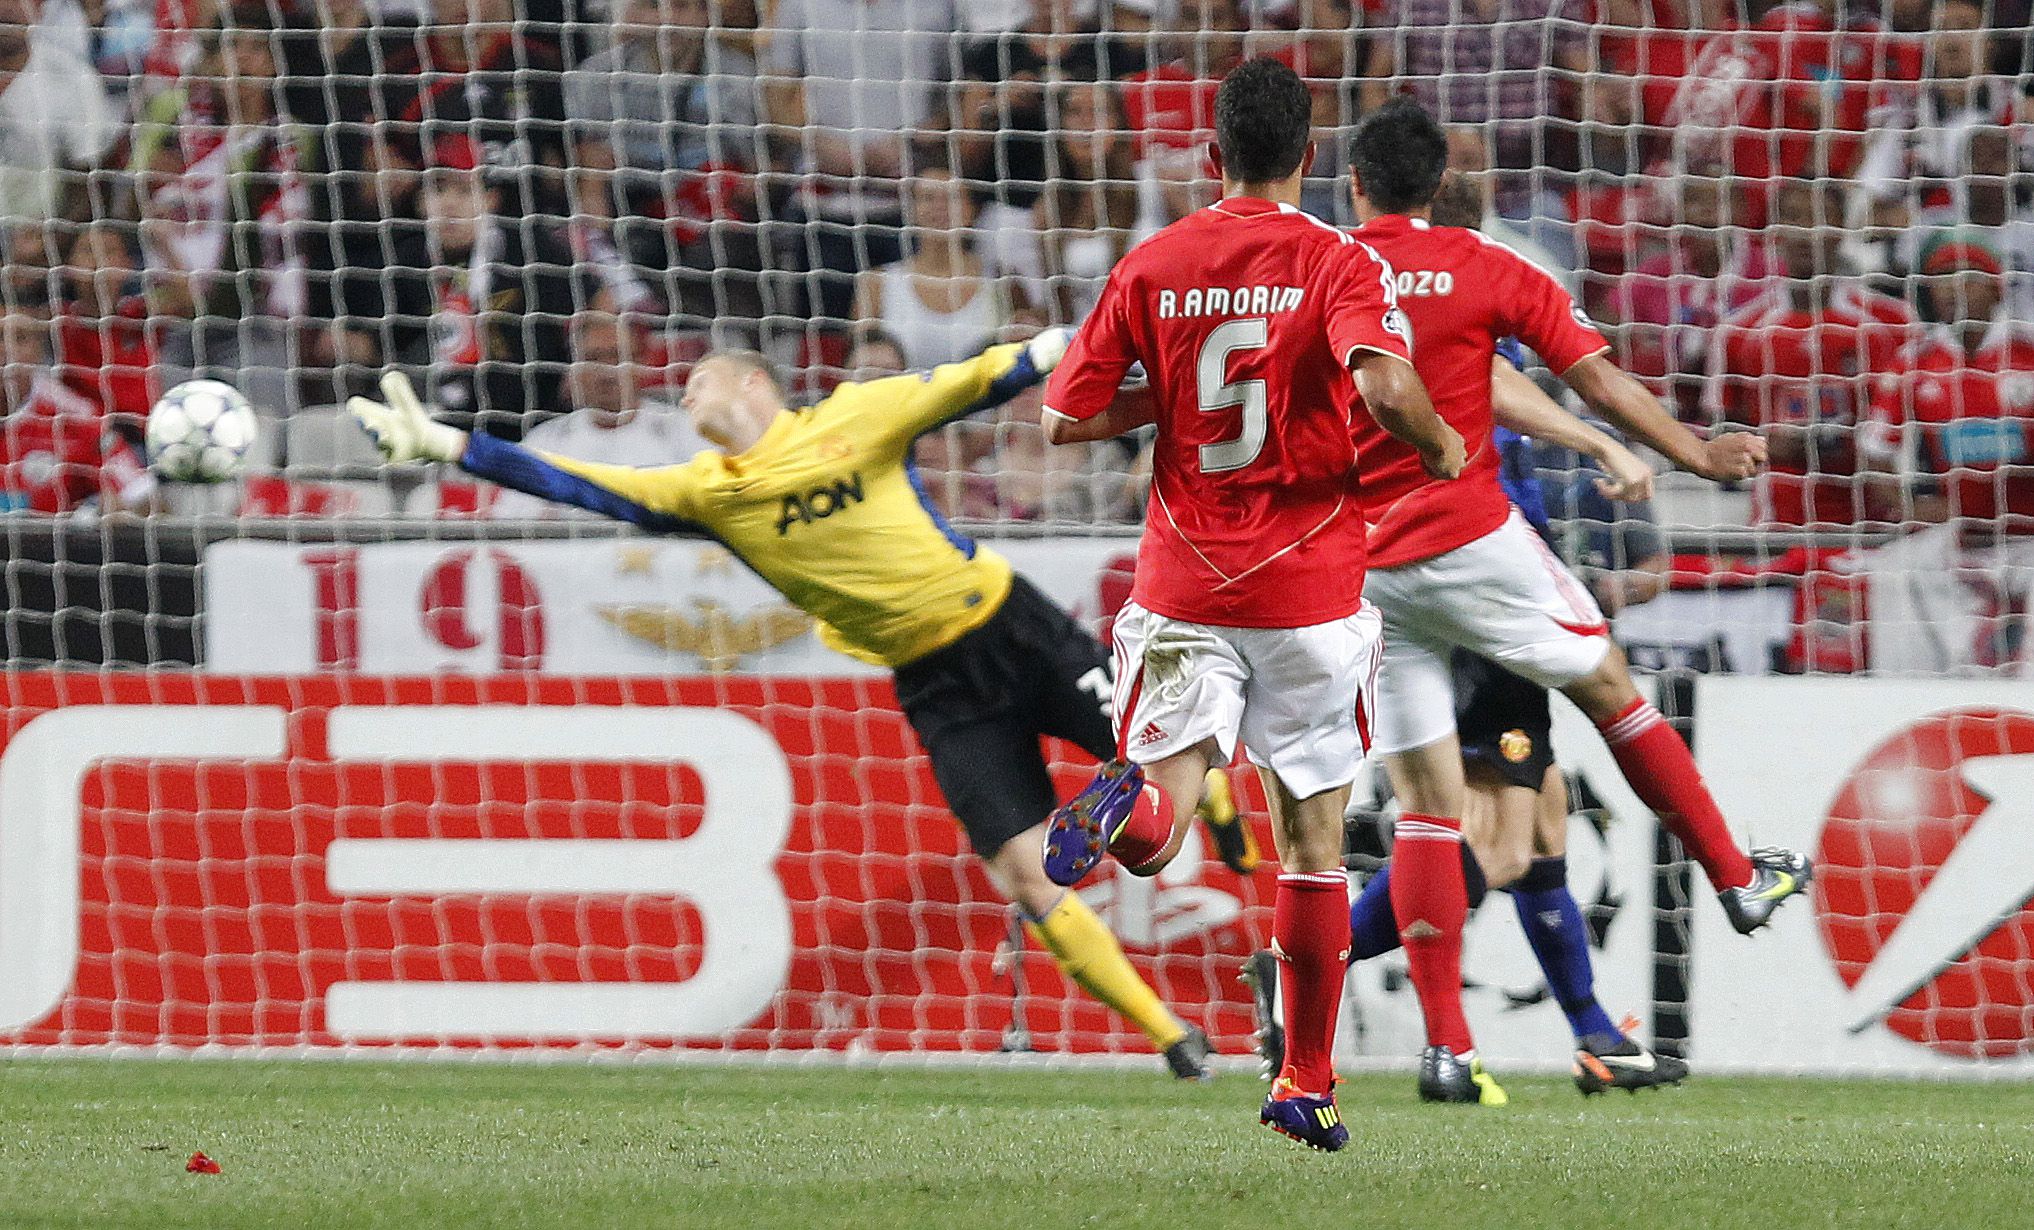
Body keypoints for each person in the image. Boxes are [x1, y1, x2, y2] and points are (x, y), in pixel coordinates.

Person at [349, 333, 1222, 1082]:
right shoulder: (707, 492)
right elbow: (578, 481)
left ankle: (1229, 834)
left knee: (1169, 758)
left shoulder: (853, 417)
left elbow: (978, 377)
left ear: (757, 384)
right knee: (1029, 875)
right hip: (937, 689)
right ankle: (1174, 1040)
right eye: (683, 385)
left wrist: (1072, 340)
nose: (688, 389)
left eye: (705, 377)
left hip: (1009, 625)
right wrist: (447, 443)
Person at [1339, 98, 1813, 1090]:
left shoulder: (1318, 272)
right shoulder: (1492, 268)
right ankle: (1734, 877)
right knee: (1606, 684)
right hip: (1471, 540)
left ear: (1355, 186)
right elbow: (1593, 378)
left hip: (1363, 570)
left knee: (1431, 807)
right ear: (1437, 188)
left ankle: (1449, 1049)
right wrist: (1694, 454)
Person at [1036, 58, 1465, 1149]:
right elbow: (1378, 384)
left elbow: (1063, 420)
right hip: (1311, 594)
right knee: (1312, 846)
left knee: (1166, 813)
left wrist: (1170, 393)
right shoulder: (1337, 260)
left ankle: (1120, 808)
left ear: (1211, 156)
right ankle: (1304, 1083)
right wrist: (1440, 439)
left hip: (1185, 585)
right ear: (1314, 158)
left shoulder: (1157, 261)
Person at [1704, 177, 1917, 528]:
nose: (1806, 231)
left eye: (1819, 217)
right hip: (1777, 522)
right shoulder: (1739, 331)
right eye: (1795, 218)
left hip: (1874, 521)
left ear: (1840, 228)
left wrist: (1855, 440)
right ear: (1777, 232)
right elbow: (1722, 432)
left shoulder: (1892, 322)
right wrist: (1768, 446)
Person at [487, 314, 709, 520]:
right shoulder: (546, 442)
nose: (606, 371)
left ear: (641, 362)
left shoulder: (685, 431)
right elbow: (509, 520)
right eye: (593, 357)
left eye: (616, 356)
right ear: (575, 367)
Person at [853, 166, 1019, 370]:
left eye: (951, 198)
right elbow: (857, 362)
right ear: (911, 210)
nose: (940, 206)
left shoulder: (1001, 282)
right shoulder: (876, 283)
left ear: (971, 211)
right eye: (928, 197)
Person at [0, 305, 157, 515]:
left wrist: (108, 508)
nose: (6, 350)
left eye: (20, 339)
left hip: (44, 546)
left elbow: (143, 497)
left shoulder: (74, 417)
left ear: (39, 351)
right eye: (0, 337)